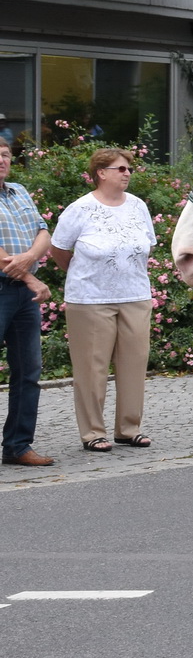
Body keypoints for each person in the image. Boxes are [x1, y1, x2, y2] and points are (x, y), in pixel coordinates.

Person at [48, 148, 157, 452]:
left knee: (134, 364)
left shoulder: (138, 207)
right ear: (101, 173)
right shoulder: (79, 209)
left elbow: (147, 246)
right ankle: (93, 432)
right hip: (90, 299)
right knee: (92, 369)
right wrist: (82, 272)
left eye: (129, 169)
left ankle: (128, 428)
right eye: (121, 168)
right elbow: (59, 250)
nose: (127, 173)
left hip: (135, 296)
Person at [1, 142, 55, 467]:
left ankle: (18, 446)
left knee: (28, 372)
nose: (2, 160)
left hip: (22, 298)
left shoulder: (19, 191)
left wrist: (32, 257)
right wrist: (32, 277)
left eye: (5, 154)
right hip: (13, 288)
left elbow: (43, 230)